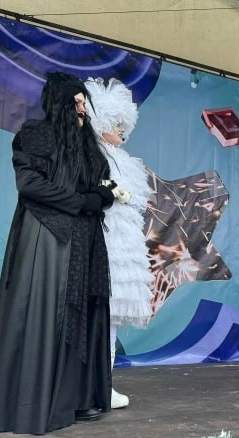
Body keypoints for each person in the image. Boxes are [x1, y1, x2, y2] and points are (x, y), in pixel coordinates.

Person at [0, 72, 115, 434]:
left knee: (81, 317)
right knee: (49, 315)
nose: (83, 107)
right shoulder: (37, 133)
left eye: (84, 101)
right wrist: (80, 201)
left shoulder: (87, 143)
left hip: (84, 239)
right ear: (61, 104)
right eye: (76, 101)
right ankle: (35, 405)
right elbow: (30, 184)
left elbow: (98, 185)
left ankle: (75, 399)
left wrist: (102, 195)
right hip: (49, 236)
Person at [85, 77, 153, 409]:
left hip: (124, 242)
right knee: (95, 313)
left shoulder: (123, 159)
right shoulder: (91, 156)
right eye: (115, 125)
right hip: (102, 238)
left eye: (124, 126)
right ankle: (87, 385)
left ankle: (104, 384)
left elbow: (137, 198)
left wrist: (123, 195)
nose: (121, 133)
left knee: (111, 317)